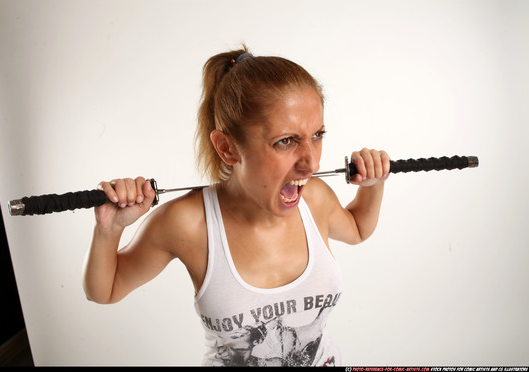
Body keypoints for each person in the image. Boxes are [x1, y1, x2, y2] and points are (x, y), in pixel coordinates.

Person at [83, 46, 390, 366]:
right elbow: (105, 290)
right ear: (228, 148)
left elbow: (356, 229)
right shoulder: (187, 223)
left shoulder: (315, 198)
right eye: (285, 141)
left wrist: (374, 183)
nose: (310, 162)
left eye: (317, 135)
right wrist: (110, 228)